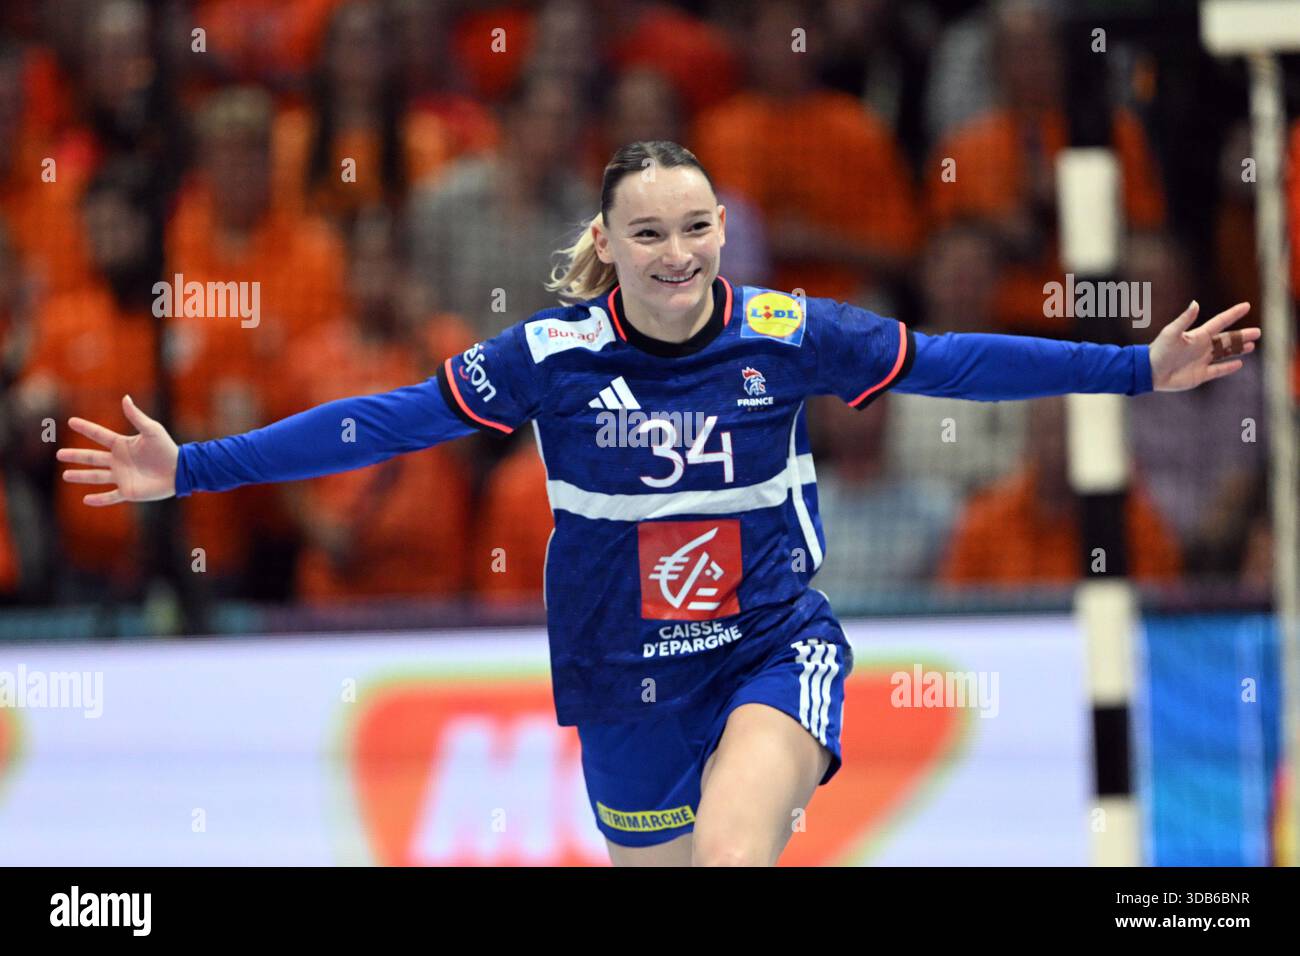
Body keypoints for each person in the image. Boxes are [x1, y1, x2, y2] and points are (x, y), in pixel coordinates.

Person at [55, 141, 1258, 867]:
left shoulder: (790, 333)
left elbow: (951, 362)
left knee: (733, 848)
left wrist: (1132, 368)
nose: (677, 254)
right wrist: (195, 467)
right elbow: (383, 419)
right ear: (609, 244)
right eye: (649, 234)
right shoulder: (553, 355)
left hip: (767, 644)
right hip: (621, 672)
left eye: (695, 228)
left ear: (721, 229)